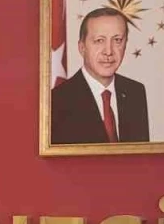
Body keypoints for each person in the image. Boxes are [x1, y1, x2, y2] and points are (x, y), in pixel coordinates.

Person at [50, 8, 150, 145]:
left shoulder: (135, 92)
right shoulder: (57, 101)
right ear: (82, 47)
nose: (108, 51)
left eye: (117, 40)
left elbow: (141, 155)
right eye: (99, 40)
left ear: (125, 44)